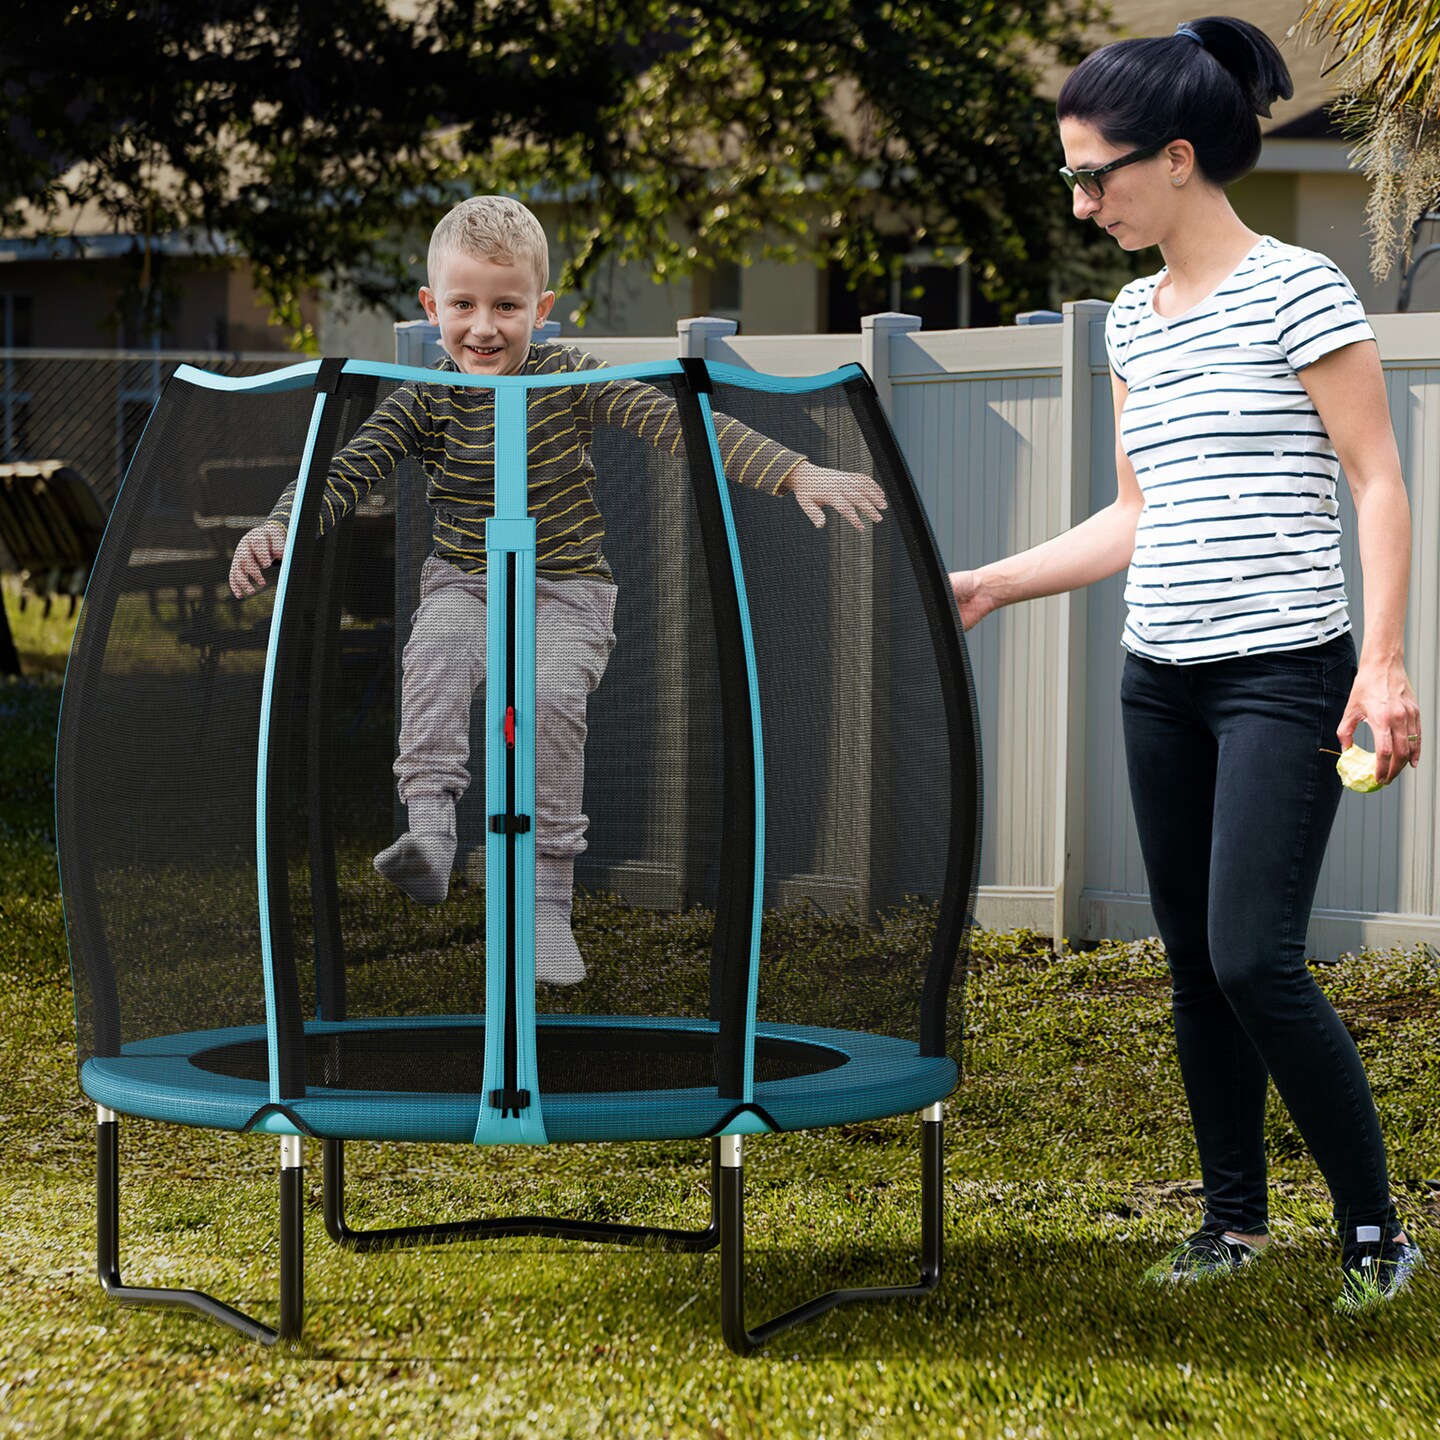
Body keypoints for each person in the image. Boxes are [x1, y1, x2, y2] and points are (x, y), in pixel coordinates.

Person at [950, 17, 1424, 1311]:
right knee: (1191, 960)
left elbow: (1378, 480)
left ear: (1174, 157)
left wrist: (1380, 668)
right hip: (1157, 677)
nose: (1081, 198)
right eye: (1070, 176)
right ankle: (1231, 1226)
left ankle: (1379, 1235)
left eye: (1093, 173)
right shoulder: (1129, 322)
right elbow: (1135, 511)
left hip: (1282, 672)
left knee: (1252, 957)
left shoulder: (1299, 288)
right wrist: (994, 579)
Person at [230, 196, 885, 984]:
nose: (483, 327)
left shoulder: (568, 377)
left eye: (506, 306)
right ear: (431, 308)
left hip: (568, 593)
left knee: (548, 706)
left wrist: (793, 470)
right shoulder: (424, 396)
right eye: (463, 306)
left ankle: (546, 906)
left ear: (541, 311)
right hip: (465, 586)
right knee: (432, 652)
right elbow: (347, 468)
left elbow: (675, 423)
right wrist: (278, 524)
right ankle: (432, 832)